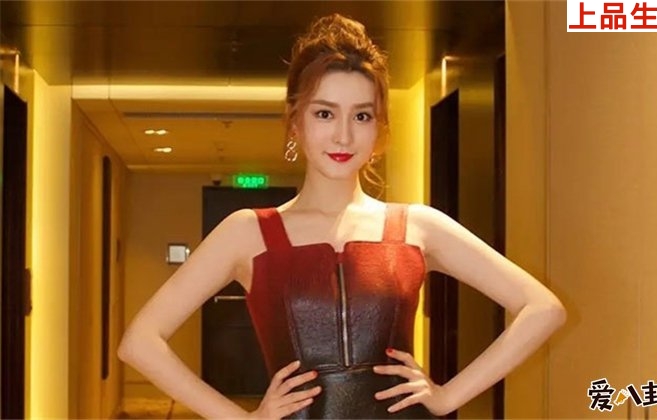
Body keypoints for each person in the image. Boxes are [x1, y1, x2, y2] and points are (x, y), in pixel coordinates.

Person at [118, 13, 567, 420]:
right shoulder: (247, 232)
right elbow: (140, 342)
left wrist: (448, 396)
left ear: (379, 127)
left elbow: (542, 308)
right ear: (295, 121)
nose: (343, 135)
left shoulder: (417, 227)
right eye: (324, 113)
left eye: (362, 116)